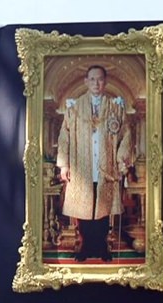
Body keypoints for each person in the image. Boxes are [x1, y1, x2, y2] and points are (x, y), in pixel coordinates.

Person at [56, 65, 132, 262]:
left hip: (106, 167)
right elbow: (64, 137)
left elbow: (126, 135)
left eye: (99, 79)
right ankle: (86, 246)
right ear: (86, 82)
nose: (96, 83)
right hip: (82, 167)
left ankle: (101, 246)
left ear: (105, 82)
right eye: (92, 79)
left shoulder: (115, 107)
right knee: (84, 209)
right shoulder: (74, 108)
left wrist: (121, 161)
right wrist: (64, 165)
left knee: (103, 209)